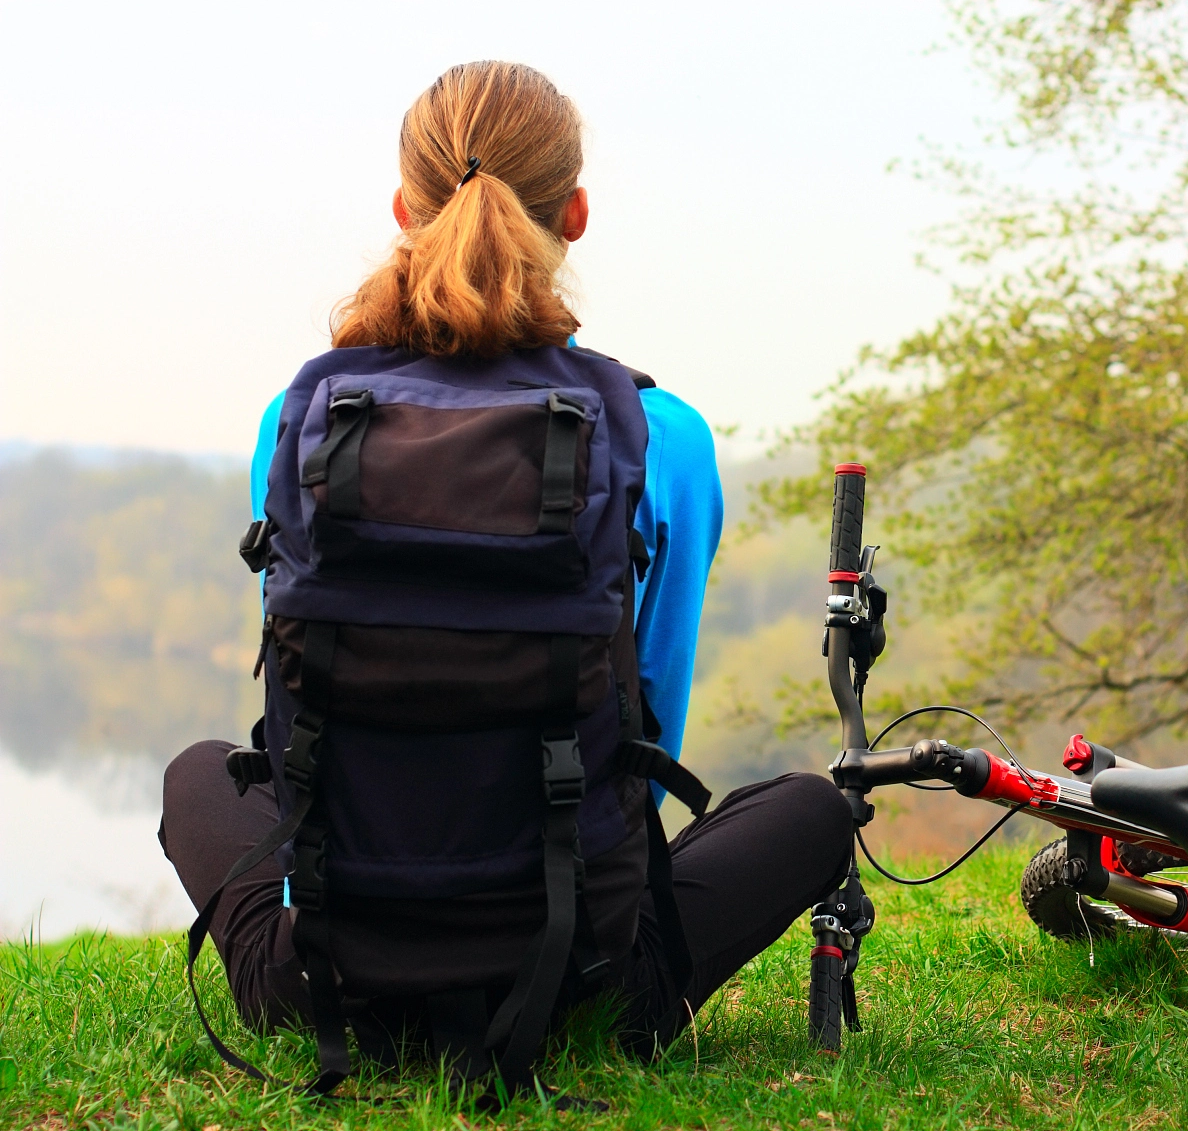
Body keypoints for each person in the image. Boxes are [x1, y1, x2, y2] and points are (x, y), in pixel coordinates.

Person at [158, 60, 852, 1094]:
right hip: (581, 968)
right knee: (811, 808)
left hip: (333, 975)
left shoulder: (296, 424)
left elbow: (303, 689)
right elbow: (645, 716)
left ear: (404, 208)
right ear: (575, 210)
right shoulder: (659, 438)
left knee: (201, 770)